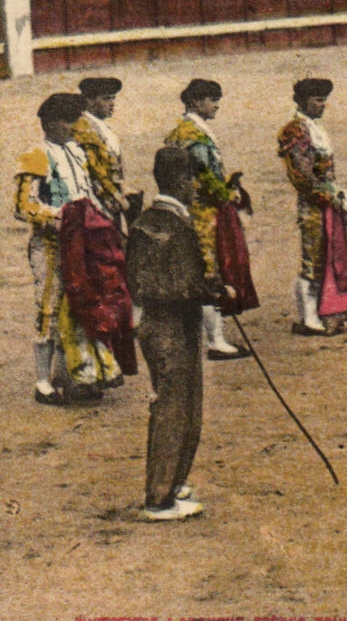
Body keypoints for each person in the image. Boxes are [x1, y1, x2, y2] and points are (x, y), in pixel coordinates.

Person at [128, 146, 219, 522]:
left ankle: (174, 483)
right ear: (181, 181)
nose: (196, 188)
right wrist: (207, 290)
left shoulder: (160, 219)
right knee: (173, 407)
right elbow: (151, 287)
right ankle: (159, 497)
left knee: (186, 405)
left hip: (177, 324)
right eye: (192, 180)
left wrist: (204, 287)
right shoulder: (162, 224)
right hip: (166, 327)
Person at [14, 93, 124, 404]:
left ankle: (80, 375)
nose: (75, 126)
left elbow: (89, 194)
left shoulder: (78, 153)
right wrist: (60, 218)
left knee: (85, 304)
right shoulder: (36, 156)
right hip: (51, 245)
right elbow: (23, 206)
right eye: (68, 120)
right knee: (49, 307)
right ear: (50, 123)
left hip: (85, 243)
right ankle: (43, 382)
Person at [165, 79, 254, 360]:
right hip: (204, 212)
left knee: (206, 269)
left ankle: (211, 337)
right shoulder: (193, 134)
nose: (216, 105)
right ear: (194, 102)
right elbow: (204, 177)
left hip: (198, 209)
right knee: (210, 270)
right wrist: (226, 193)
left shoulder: (188, 130)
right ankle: (215, 341)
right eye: (211, 99)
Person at [277, 78, 347, 335]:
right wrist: (331, 196)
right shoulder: (296, 130)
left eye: (324, 100)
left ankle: (320, 314)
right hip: (314, 204)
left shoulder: (312, 127)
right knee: (314, 257)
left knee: (327, 256)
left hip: (325, 200)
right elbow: (303, 177)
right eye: (317, 100)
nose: (323, 105)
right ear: (303, 101)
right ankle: (308, 319)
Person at [74, 76, 138, 233]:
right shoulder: (84, 128)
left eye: (113, 98)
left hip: (112, 199)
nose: (112, 103)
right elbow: (95, 172)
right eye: (106, 99)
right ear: (89, 100)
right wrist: (116, 196)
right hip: (99, 201)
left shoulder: (100, 126)